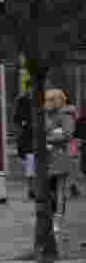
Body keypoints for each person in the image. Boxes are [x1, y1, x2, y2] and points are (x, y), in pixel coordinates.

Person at [43, 89, 76, 218]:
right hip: (47, 156)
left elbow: (67, 134)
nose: (47, 103)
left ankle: (58, 214)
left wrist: (48, 138)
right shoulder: (47, 115)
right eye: (47, 100)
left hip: (60, 155)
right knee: (49, 187)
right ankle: (51, 213)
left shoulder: (65, 115)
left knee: (59, 187)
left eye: (51, 100)